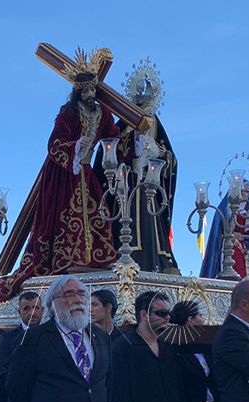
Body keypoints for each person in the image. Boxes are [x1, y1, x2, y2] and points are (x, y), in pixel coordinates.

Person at [0, 49, 120, 301]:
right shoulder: (68, 113)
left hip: (86, 171)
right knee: (65, 214)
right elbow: (54, 143)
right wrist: (76, 146)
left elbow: (112, 134)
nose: (91, 94)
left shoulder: (102, 113)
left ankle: (96, 258)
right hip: (63, 172)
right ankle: (69, 257)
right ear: (78, 92)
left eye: (93, 90)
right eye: (86, 91)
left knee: (96, 212)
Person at [94, 58, 179, 274]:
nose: (147, 122)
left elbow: (171, 159)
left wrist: (159, 154)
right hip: (128, 183)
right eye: (144, 117)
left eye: (151, 117)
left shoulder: (157, 128)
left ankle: (156, 260)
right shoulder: (124, 126)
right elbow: (109, 149)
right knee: (127, 214)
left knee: (149, 217)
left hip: (149, 184)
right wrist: (131, 147)